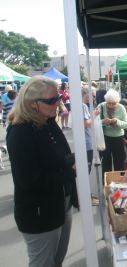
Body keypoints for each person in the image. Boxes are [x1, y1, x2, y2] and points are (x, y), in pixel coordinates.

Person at [6, 76, 78, 267]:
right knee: (43, 263)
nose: (57, 103)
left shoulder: (47, 121)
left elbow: (60, 154)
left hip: (60, 203)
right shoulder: (20, 132)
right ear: (32, 103)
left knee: (56, 261)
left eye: (58, 98)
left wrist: (73, 160)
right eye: (51, 100)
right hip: (39, 213)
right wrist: (70, 171)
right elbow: (29, 181)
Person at [97, 89, 127, 180]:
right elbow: (95, 123)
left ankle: (119, 185)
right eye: (109, 103)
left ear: (117, 102)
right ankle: (107, 185)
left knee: (119, 164)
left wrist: (116, 121)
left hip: (118, 139)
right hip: (105, 138)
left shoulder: (121, 107)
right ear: (106, 101)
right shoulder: (101, 106)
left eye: (113, 103)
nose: (111, 105)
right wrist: (103, 122)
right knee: (105, 164)